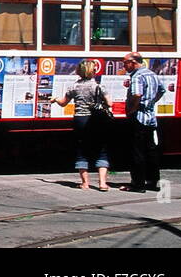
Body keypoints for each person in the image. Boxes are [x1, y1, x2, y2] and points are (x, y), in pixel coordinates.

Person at [51, 60, 111, 191]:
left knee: (82, 149)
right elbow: (110, 103)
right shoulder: (99, 87)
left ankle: (85, 183)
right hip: (97, 119)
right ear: (93, 71)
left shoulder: (74, 87)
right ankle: (102, 184)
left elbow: (63, 103)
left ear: (79, 72)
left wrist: (55, 99)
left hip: (80, 119)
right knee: (101, 150)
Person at [121, 52, 163, 192]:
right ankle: (152, 181)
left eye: (125, 62)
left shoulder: (137, 76)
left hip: (138, 117)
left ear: (133, 62)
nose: (124, 65)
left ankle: (138, 184)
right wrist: (151, 102)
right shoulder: (151, 74)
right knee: (151, 150)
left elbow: (137, 94)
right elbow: (162, 90)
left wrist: (131, 110)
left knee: (137, 151)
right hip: (150, 117)